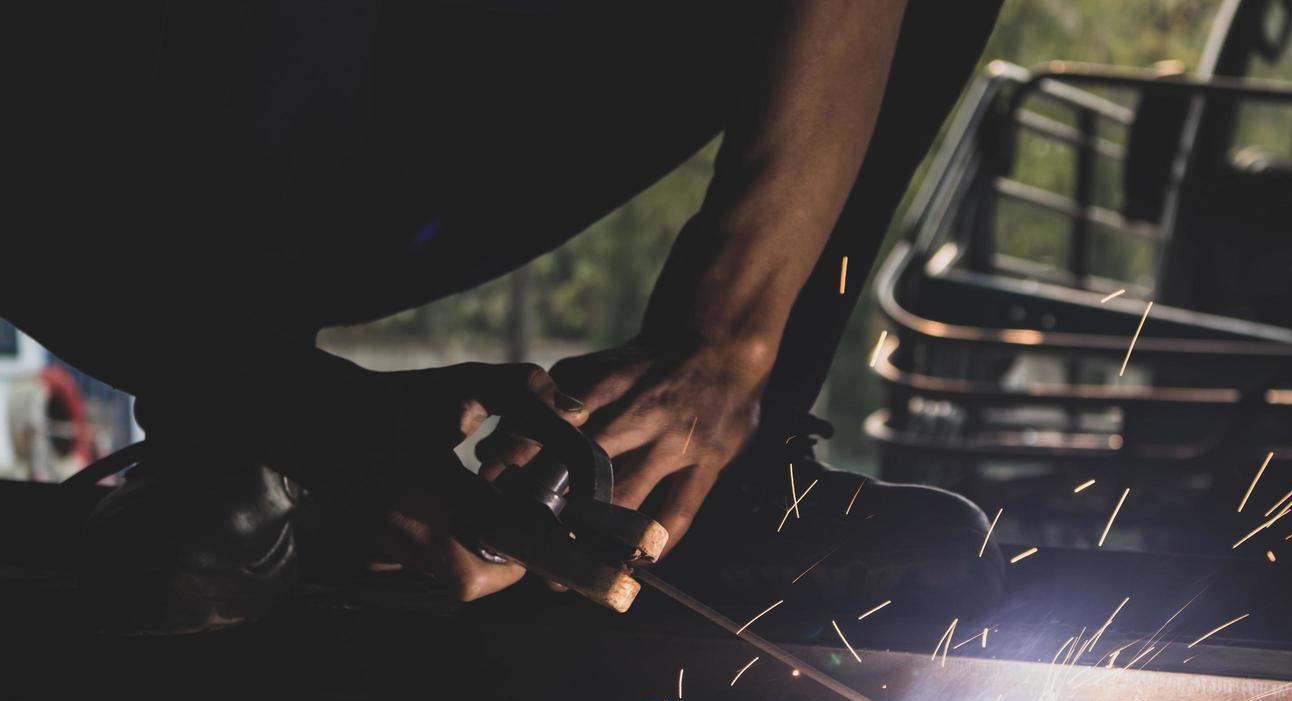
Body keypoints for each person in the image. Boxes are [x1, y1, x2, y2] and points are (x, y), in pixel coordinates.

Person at [0, 1, 1004, 634]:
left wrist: (725, 345)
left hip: (459, 106)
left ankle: (718, 473)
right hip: (141, 145)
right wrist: (287, 403)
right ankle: (223, 453)